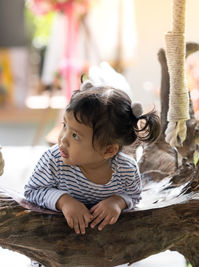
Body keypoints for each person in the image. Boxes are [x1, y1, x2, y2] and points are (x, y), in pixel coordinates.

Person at [24, 82, 161, 235]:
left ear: (108, 150)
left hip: (102, 247)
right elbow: (32, 191)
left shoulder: (126, 169)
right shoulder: (53, 160)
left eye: (75, 135)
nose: (63, 139)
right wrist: (64, 201)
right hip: (55, 239)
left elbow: (134, 196)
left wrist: (118, 201)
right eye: (64, 126)